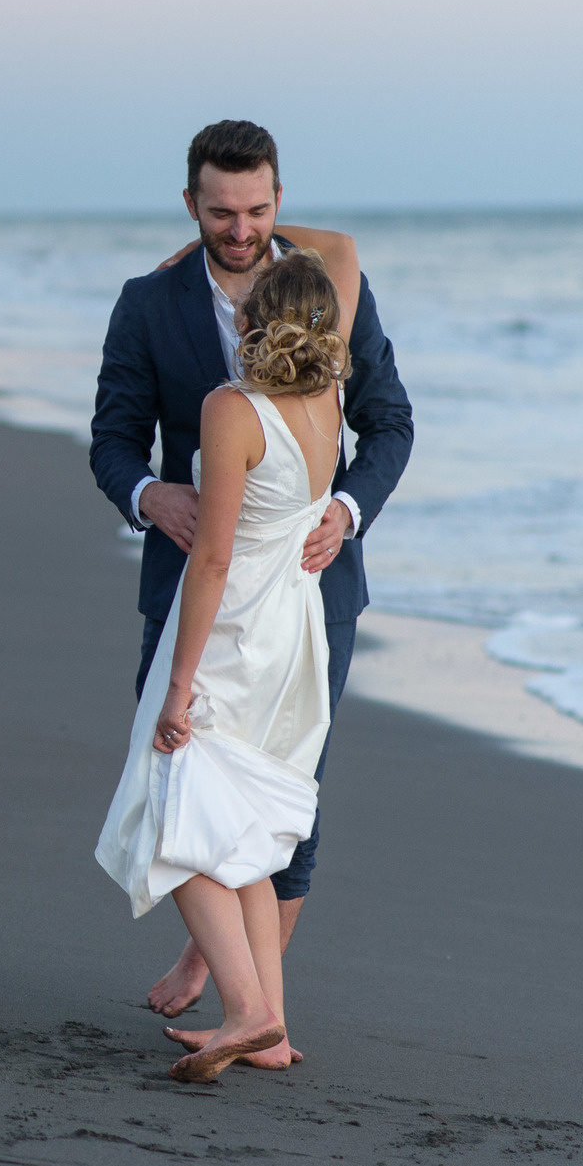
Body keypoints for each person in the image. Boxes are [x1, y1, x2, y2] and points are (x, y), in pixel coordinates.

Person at [89, 119, 413, 1057]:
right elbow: (113, 439)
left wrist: (345, 509)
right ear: (191, 205)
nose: (241, 229)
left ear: (280, 202)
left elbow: (388, 423)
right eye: (221, 212)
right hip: (189, 579)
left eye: (259, 210)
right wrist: (153, 496)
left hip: (316, 586)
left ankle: (250, 1002)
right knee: (189, 768)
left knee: (283, 792)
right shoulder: (149, 304)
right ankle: (241, 994)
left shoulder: (330, 291)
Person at [95, 250, 358, 1081]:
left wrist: (177, 686)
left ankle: (242, 1009)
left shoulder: (231, 407)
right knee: (245, 822)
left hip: (235, 624)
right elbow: (342, 255)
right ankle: (271, 1025)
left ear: (252, 318)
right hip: (295, 630)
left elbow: (211, 558)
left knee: (177, 808)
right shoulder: (328, 400)